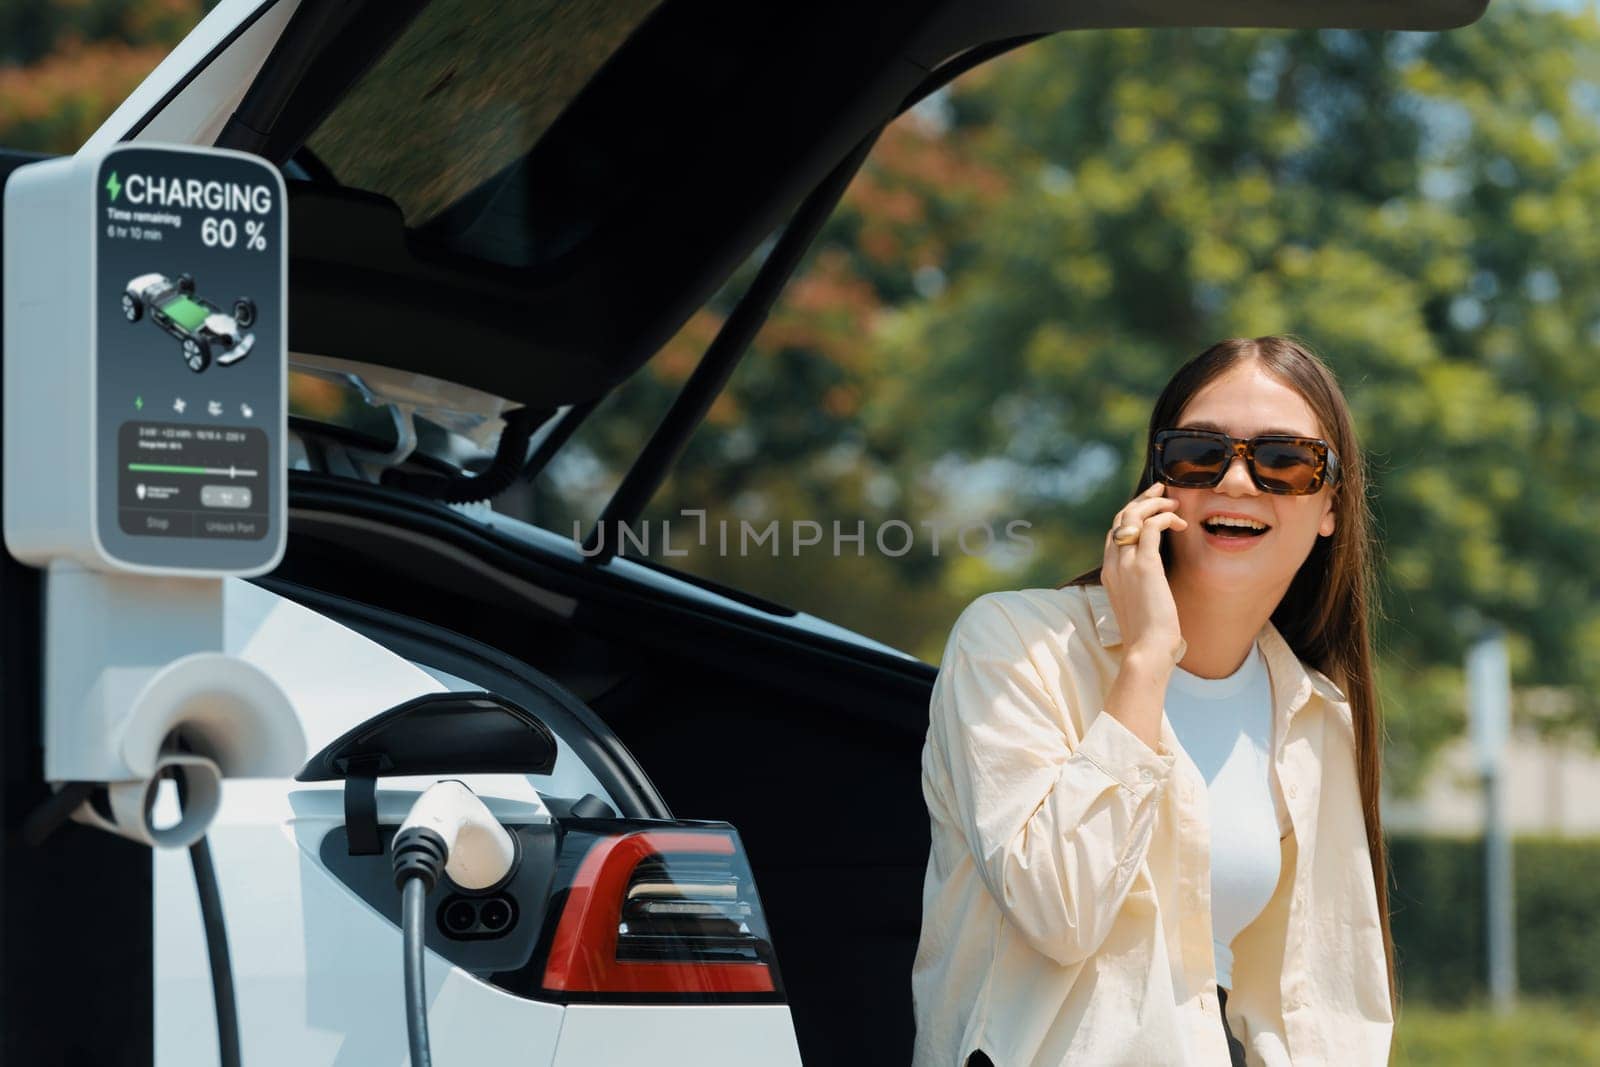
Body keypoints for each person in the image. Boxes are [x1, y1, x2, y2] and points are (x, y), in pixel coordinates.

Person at [911, 336, 1396, 1066]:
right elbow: (1059, 908)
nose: (1237, 480)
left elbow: (1325, 1004)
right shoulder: (1011, 644)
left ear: (1331, 504)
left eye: (1284, 460)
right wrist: (1144, 658)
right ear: (1156, 481)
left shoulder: (1314, 711)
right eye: (1200, 452)